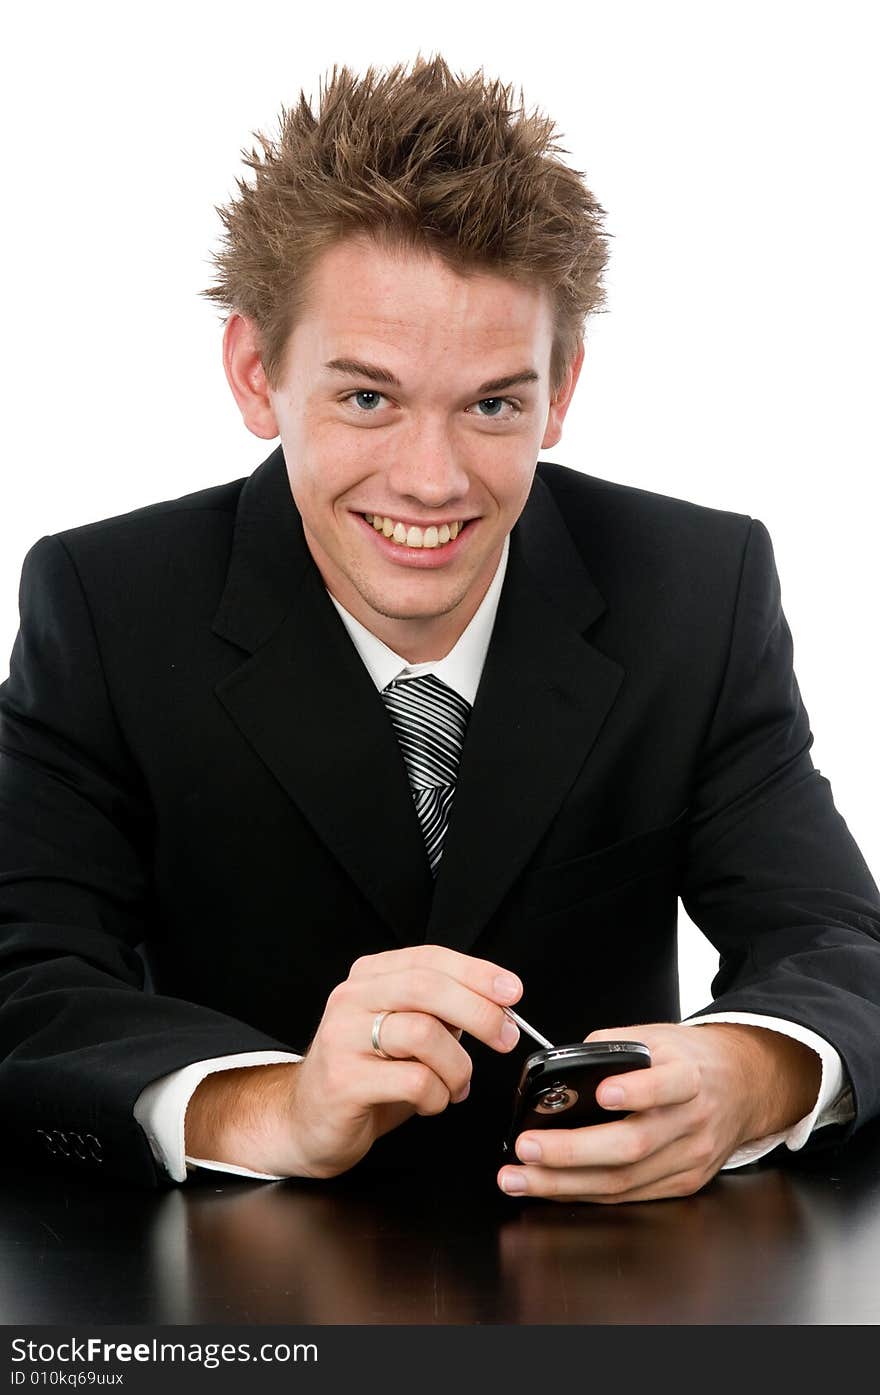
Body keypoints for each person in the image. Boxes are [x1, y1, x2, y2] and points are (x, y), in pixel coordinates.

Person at [1, 57, 878, 1204]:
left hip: (613, 1289)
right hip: (229, 1292)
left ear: (560, 391)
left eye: (493, 404)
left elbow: (837, 944)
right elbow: (25, 982)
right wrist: (270, 1107)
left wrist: (747, 1077)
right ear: (256, 372)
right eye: (367, 396)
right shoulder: (107, 602)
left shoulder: (694, 589)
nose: (431, 481)